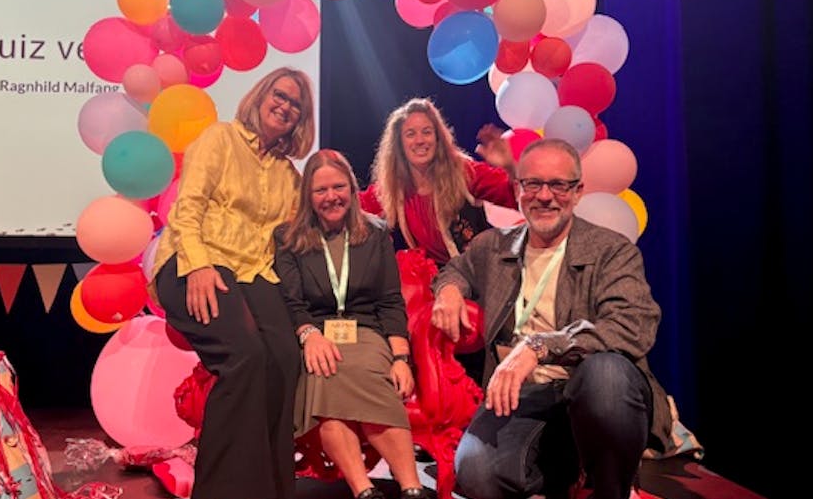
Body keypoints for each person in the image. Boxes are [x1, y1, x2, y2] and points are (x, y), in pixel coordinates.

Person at [430, 138, 673, 499]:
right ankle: (572, 468)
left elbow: (631, 326)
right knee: (476, 475)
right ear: (518, 189)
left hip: (591, 389)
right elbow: (455, 270)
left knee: (605, 374)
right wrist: (449, 289)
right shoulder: (493, 246)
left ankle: (609, 485)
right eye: (533, 184)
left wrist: (539, 347)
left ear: (577, 192)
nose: (544, 196)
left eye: (558, 185)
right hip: (525, 395)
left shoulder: (611, 250)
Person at [152, 66, 315, 499]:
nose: (285, 106)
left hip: (253, 272)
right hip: (195, 261)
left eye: (295, 104)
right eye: (279, 95)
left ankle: (273, 490)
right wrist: (198, 265)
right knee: (245, 356)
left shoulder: (289, 176)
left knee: (284, 358)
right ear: (261, 96)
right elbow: (187, 209)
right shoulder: (219, 138)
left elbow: (304, 230)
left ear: (301, 119)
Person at [274, 149, 429, 499]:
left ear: (352, 188)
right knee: (325, 373)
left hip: (366, 332)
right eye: (321, 190)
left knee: (368, 374)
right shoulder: (288, 237)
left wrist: (401, 359)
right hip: (316, 334)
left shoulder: (375, 233)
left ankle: (412, 489)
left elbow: (390, 300)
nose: (331, 197)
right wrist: (309, 335)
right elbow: (291, 301)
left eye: (339, 187)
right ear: (308, 195)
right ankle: (364, 491)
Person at [360, 97, 518, 268]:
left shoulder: (463, 172)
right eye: (411, 134)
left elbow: (516, 195)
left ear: (437, 138)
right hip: (437, 278)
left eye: (427, 132)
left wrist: (510, 167)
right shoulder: (392, 186)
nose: (420, 140)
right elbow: (355, 208)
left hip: (480, 270)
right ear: (399, 144)